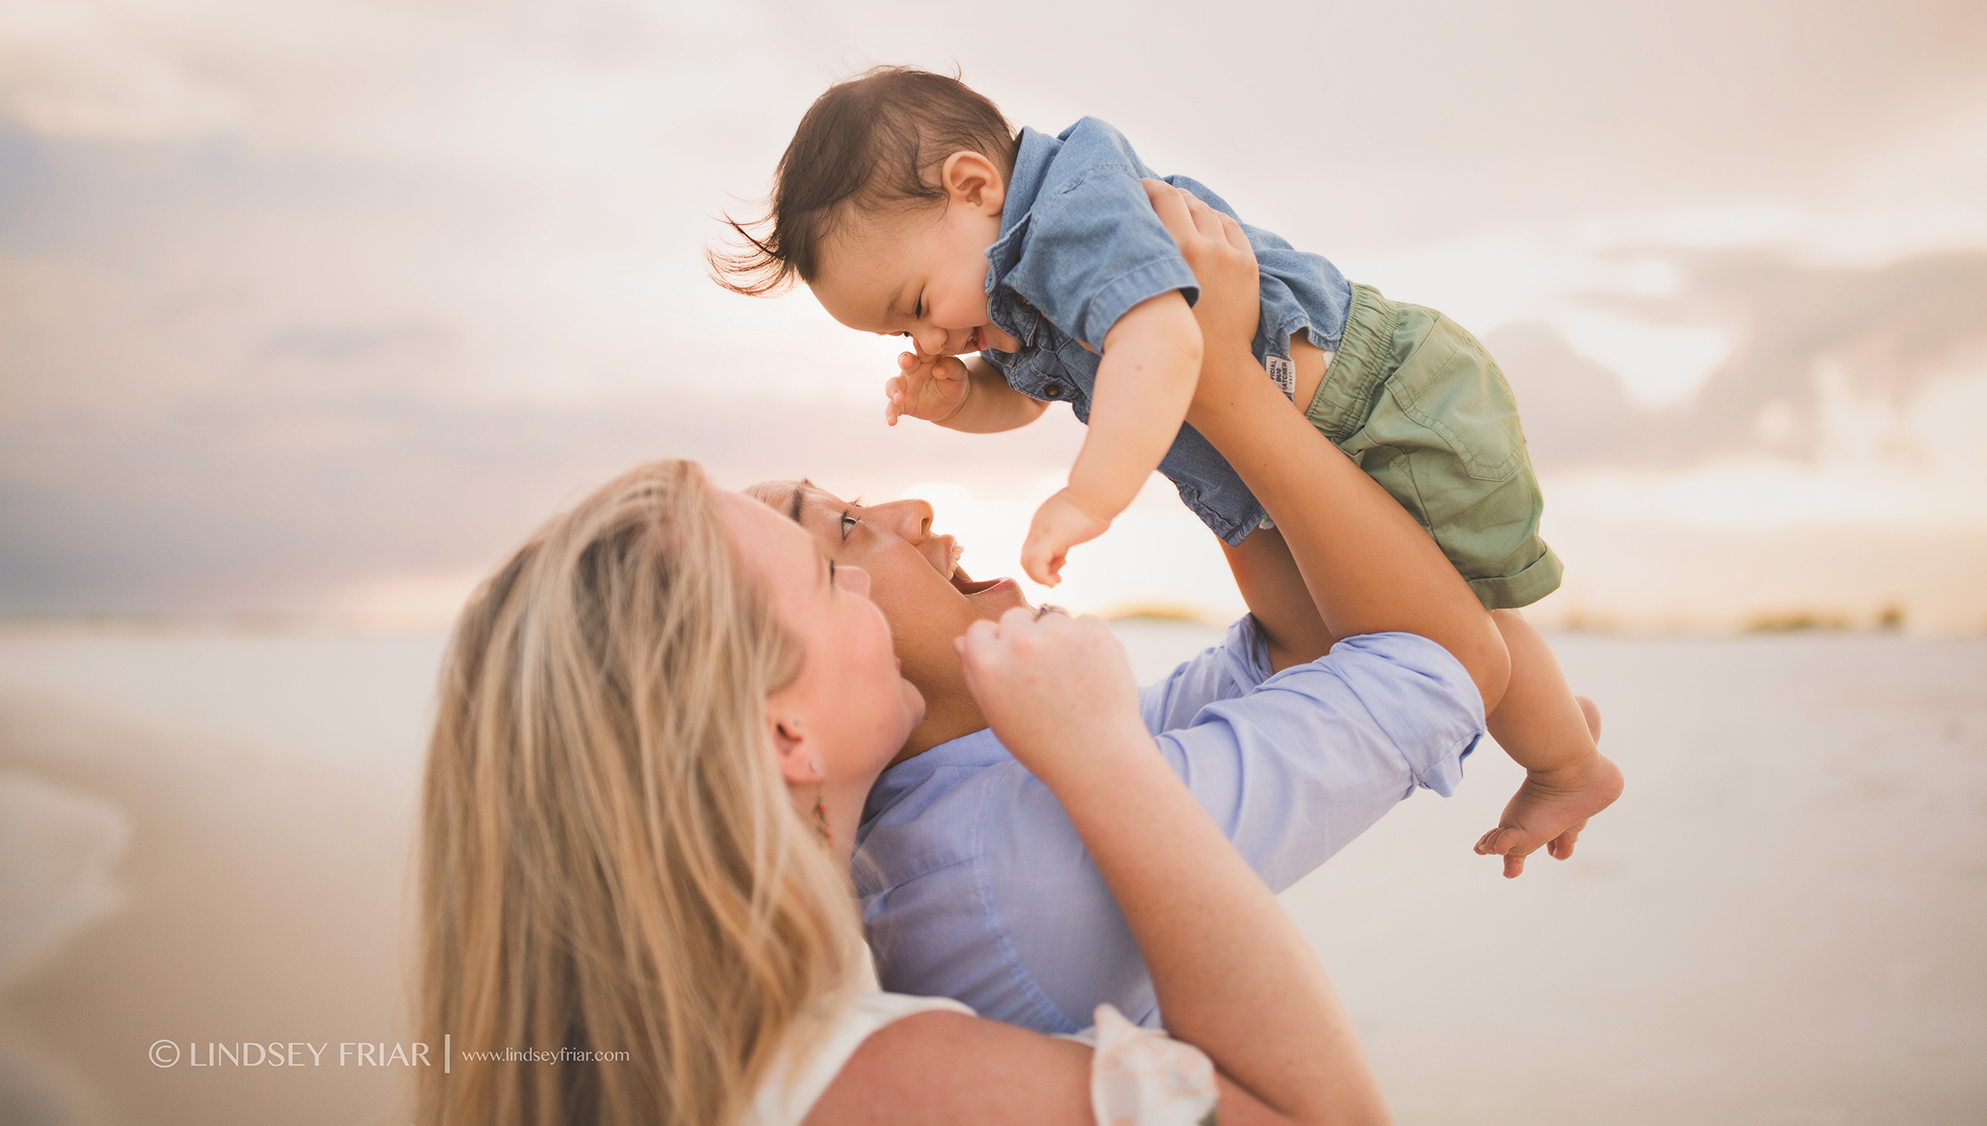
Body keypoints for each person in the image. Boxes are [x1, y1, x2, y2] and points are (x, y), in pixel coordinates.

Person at [712, 66, 1621, 876]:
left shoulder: (1075, 211)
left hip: (1367, 406)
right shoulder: (1016, 276)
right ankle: (1552, 732)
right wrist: (962, 401)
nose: (928, 337)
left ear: (973, 184)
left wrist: (1089, 493)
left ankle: (1566, 762)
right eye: (902, 336)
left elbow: (1163, 336)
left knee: (1447, 623)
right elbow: (1034, 393)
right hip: (1269, 463)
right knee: (1384, 629)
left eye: (914, 305)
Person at [749, 186, 1566, 1033]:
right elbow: (1441, 662)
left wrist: (1171, 393)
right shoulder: (1014, 870)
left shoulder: (968, 786)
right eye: (846, 528)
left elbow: (1300, 649)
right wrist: (1219, 384)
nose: (911, 511)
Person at [412, 469, 1397, 1125]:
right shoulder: (891, 1083)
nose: (868, 576)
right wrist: (1103, 759)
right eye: (827, 575)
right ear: (783, 733)